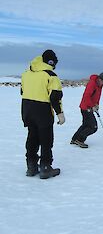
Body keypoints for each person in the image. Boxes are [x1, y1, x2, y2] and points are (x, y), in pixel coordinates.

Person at [21, 49, 65, 179]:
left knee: (32, 136)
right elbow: (55, 97)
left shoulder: (26, 74)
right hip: (43, 110)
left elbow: (22, 91)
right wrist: (60, 113)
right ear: (52, 62)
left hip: (27, 109)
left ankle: (31, 166)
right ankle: (45, 167)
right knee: (46, 139)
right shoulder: (51, 75)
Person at [71, 72, 103, 148]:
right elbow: (86, 96)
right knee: (93, 127)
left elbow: (97, 96)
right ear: (99, 79)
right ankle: (79, 140)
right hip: (86, 107)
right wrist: (92, 106)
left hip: (89, 107)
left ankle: (75, 139)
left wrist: (97, 104)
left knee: (86, 125)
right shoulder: (92, 84)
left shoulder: (99, 85)